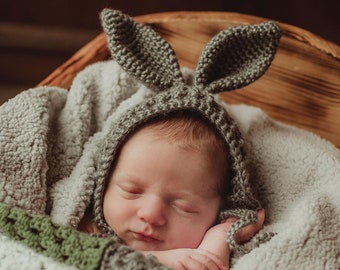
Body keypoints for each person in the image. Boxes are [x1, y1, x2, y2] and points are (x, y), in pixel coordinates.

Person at [78, 112, 265, 270]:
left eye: (184, 207)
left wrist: (218, 240)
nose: (151, 214)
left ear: (218, 213)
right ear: (104, 184)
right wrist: (164, 260)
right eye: (132, 191)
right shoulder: (84, 228)